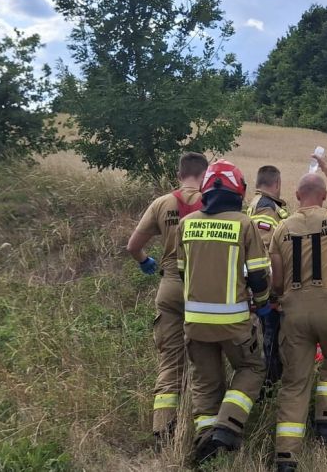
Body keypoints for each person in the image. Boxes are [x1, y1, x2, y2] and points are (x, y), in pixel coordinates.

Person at [179, 160, 272, 464]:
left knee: (205, 383)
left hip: (195, 323)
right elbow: (258, 274)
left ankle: (205, 442)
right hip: (233, 322)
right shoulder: (244, 224)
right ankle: (227, 428)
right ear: (238, 190)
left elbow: (182, 272)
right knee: (252, 368)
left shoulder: (187, 223)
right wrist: (263, 302)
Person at [268, 152, 327, 472]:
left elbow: (276, 279)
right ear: (322, 196)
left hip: (293, 310)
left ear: (295, 196)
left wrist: (280, 297)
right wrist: (326, 163)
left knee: (295, 381)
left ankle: (286, 455)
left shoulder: (280, 228)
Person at [124, 152, 207, 441]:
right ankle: (204, 429)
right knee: (206, 360)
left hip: (170, 285)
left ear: (178, 173)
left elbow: (133, 246)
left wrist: (146, 261)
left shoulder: (162, 203)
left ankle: (163, 428)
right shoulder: (212, 202)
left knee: (171, 360)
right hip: (205, 291)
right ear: (205, 175)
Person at [245, 165, 291, 386]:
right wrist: (272, 291)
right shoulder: (267, 208)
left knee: (267, 339)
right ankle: (270, 385)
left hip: (258, 286)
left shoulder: (254, 204)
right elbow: (264, 249)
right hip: (268, 288)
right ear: (277, 183)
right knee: (271, 341)